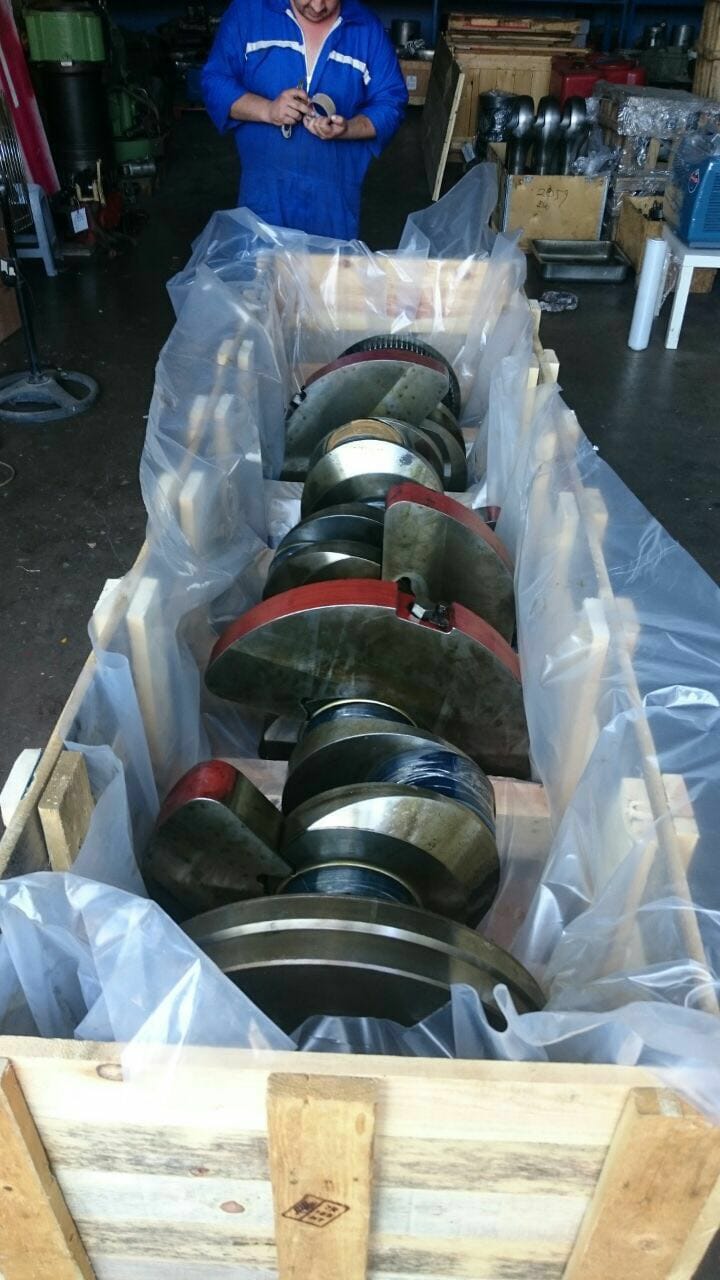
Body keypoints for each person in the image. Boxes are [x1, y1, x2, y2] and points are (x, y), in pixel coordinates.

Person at [202, 0, 408, 240]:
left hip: (333, 209)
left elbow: (391, 101)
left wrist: (348, 129)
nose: (318, 7)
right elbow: (215, 82)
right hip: (264, 197)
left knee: (326, 263)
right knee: (264, 260)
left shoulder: (366, 28)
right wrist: (268, 110)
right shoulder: (249, 13)